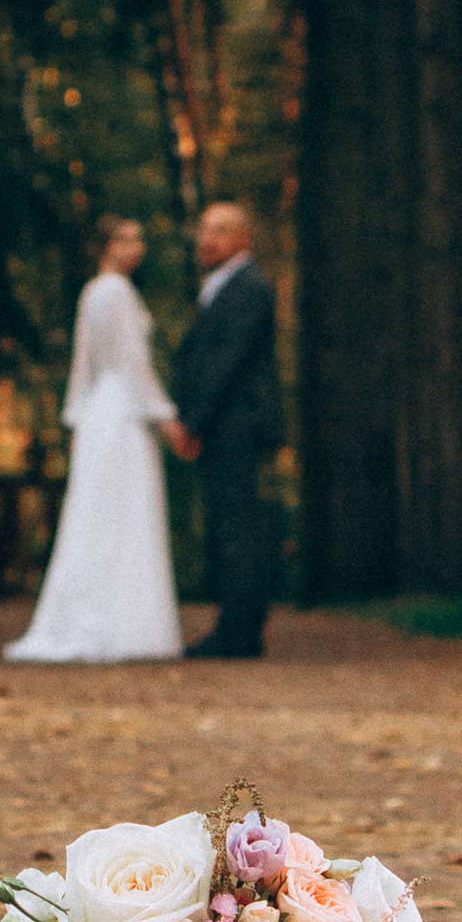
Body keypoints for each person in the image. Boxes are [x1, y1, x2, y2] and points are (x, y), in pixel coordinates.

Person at [1, 216, 183, 665]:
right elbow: (131, 362)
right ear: (104, 245)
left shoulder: (92, 292)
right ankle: (124, 625)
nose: (136, 246)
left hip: (102, 412)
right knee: (124, 511)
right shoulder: (116, 292)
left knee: (99, 513)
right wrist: (165, 416)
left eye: (139, 238)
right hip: (123, 413)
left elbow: (83, 367)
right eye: (125, 238)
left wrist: (79, 419)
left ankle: (98, 617)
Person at [168, 201, 283, 660]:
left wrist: (193, 420)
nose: (206, 238)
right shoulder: (220, 285)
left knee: (236, 526)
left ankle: (239, 632)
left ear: (243, 239)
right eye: (203, 230)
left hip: (238, 422)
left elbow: (226, 361)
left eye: (219, 230)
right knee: (229, 524)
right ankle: (238, 627)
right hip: (226, 422)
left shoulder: (249, 286)